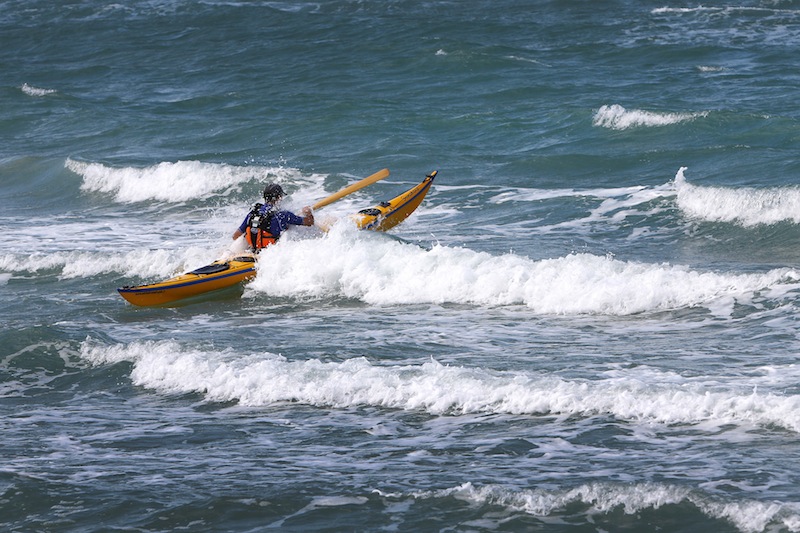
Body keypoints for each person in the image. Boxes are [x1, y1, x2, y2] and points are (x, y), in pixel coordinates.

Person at [232, 183, 314, 251]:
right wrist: (308, 212)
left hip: (253, 251)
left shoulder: (253, 213)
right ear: (279, 197)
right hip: (271, 255)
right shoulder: (284, 215)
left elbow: (235, 236)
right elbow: (310, 222)